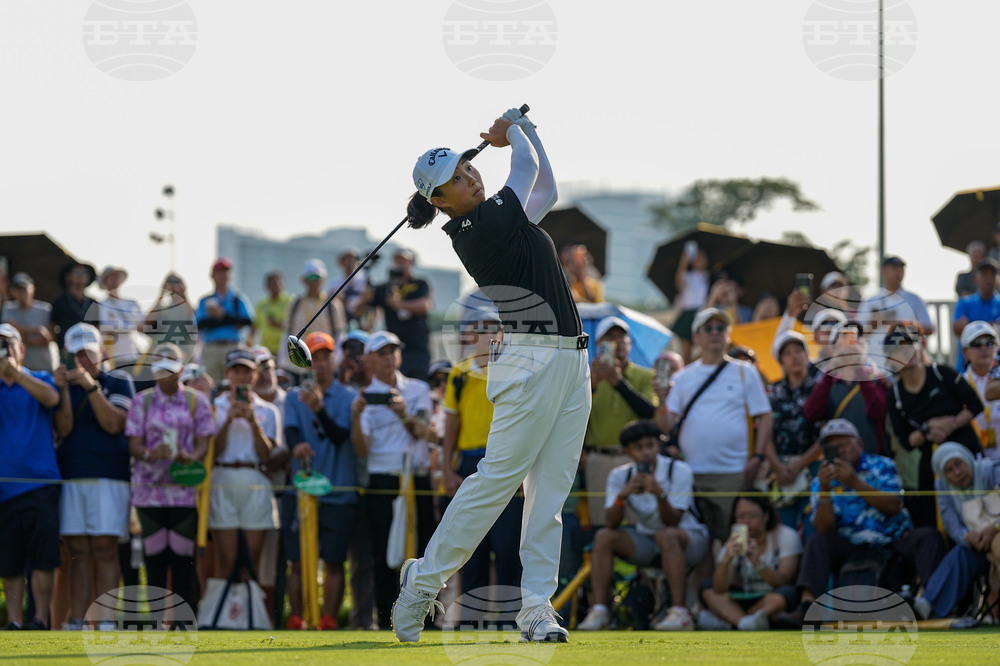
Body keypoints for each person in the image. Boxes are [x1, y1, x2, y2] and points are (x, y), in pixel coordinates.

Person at [393, 108, 591, 644]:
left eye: (466, 168)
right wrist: (511, 133)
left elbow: (544, 188)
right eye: (456, 179)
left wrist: (526, 133)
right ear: (439, 202)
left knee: (549, 494)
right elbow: (523, 175)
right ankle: (422, 584)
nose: (470, 177)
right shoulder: (477, 229)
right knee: (496, 484)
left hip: (572, 360)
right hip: (533, 358)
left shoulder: (504, 219)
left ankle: (535, 609)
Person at [785, 419, 946, 627]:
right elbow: (824, 528)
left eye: (844, 444)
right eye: (832, 447)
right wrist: (825, 489)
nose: (839, 451)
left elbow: (893, 506)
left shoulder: (882, 465)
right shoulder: (821, 480)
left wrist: (854, 481)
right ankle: (807, 606)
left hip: (892, 538)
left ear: (859, 444)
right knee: (817, 542)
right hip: (850, 542)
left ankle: (928, 602)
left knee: (928, 537)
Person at [577, 421, 709, 632]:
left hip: (689, 539)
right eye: (639, 448)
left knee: (667, 535)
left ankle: (680, 613)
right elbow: (611, 523)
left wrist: (659, 494)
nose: (646, 452)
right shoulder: (620, 475)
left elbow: (673, 521)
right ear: (627, 452)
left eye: (650, 445)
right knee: (603, 536)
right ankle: (600, 611)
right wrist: (622, 497)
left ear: (658, 445)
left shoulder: (679, 470)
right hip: (648, 540)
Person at [662, 308, 771, 547]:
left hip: (733, 472)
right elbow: (668, 425)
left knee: (733, 538)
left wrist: (758, 457)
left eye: (720, 328)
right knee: (696, 542)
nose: (715, 333)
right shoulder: (682, 377)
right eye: (708, 328)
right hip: (690, 472)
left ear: (728, 335)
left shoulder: (746, 372)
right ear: (696, 338)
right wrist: (661, 399)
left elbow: (765, 416)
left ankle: (729, 584)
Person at [350, 331, 437, 630]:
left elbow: (423, 432)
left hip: (417, 478)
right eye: (382, 353)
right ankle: (388, 619)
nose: (389, 358)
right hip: (382, 480)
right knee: (384, 554)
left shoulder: (418, 390)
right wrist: (354, 416)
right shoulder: (363, 397)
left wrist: (404, 416)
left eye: (393, 351)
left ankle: (424, 619)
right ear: (370, 359)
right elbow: (362, 450)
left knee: (424, 553)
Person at [52, 323, 135, 630]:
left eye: (90, 352)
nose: (85, 360)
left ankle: (107, 622)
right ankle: (77, 620)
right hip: (72, 476)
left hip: (110, 477)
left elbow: (114, 424)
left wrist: (90, 386)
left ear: (102, 351)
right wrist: (62, 388)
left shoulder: (119, 380)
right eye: (79, 354)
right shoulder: (63, 385)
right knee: (77, 551)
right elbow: (63, 429)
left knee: (104, 547)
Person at [125, 343, 213, 619]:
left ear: (182, 371)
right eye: (161, 371)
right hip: (149, 492)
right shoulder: (143, 401)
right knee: (154, 559)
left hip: (184, 491)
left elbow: (204, 442)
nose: (166, 376)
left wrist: (191, 456)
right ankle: (154, 620)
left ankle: (185, 619)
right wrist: (150, 453)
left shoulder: (197, 401)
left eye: (171, 371)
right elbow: (134, 443)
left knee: (183, 557)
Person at [440, 315, 522, 601]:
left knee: (507, 545)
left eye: (492, 330)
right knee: (470, 544)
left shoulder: (512, 371)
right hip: (469, 462)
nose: (486, 336)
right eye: (479, 331)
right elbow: (451, 425)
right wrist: (447, 471)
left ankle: (510, 618)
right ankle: (471, 619)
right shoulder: (460, 373)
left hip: (505, 462)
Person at [281, 332, 358, 630]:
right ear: (307, 363)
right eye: (316, 357)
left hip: (338, 491)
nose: (322, 364)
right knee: (298, 563)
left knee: (334, 561)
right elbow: (290, 433)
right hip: (300, 491)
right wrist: (296, 446)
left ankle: (328, 620)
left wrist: (319, 409)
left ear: (334, 359)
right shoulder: (292, 396)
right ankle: (298, 617)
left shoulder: (348, 396)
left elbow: (340, 437)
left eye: (326, 357)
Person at [884, 326, 983, 528]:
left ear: (920, 346)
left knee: (981, 510)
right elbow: (906, 442)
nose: (907, 353)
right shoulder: (894, 395)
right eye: (898, 350)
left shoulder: (942, 373)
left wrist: (951, 425)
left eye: (909, 346)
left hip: (966, 451)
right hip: (932, 464)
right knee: (930, 520)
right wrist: (928, 428)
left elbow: (975, 405)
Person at [0, 324, 61, 630]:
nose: (4, 350)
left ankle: (39, 618)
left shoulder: (40, 378)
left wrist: (16, 373)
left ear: (21, 349)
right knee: (9, 564)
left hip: (40, 485)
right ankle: (13, 621)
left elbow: (52, 399)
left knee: (42, 560)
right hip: (4, 489)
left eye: (8, 344)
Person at [209, 347, 282, 581]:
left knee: (251, 564)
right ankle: (225, 616)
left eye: (247, 372)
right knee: (225, 563)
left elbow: (266, 456)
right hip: (223, 478)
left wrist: (252, 422)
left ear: (255, 375)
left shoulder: (268, 411)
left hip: (255, 479)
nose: (241, 377)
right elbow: (212, 453)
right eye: (236, 371)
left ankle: (247, 616)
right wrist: (228, 420)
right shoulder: (214, 408)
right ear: (227, 374)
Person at [910, 443, 1000, 620]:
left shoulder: (991, 470)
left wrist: (995, 528)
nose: (957, 472)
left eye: (958, 464)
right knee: (962, 553)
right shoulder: (943, 486)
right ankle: (927, 606)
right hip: (980, 545)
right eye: (949, 470)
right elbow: (951, 523)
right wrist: (967, 537)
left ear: (967, 457)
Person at [583, 315, 657, 527]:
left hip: (635, 459)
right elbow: (574, 416)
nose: (617, 343)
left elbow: (649, 412)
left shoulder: (646, 376)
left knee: (638, 523)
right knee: (602, 524)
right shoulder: (585, 376)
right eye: (610, 338)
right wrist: (593, 385)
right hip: (599, 458)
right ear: (598, 345)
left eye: (622, 337)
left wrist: (618, 383)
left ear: (629, 343)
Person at [698, 493, 802, 631]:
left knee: (788, 593)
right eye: (741, 516)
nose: (746, 521)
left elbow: (784, 580)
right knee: (707, 587)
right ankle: (745, 622)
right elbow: (719, 588)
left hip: (772, 598)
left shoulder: (785, 536)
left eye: (753, 516)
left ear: (766, 516)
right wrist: (726, 560)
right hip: (747, 597)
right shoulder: (735, 540)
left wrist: (758, 563)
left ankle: (732, 621)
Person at [763, 330, 822, 534]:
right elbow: (765, 433)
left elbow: (825, 434)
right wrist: (778, 467)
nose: (794, 356)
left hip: (813, 466)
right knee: (783, 529)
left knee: (813, 527)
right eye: (787, 353)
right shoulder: (772, 391)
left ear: (807, 355)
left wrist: (799, 464)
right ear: (781, 360)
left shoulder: (820, 388)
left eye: (798, 350)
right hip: (780, 469)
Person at [360, 249, 433, 380]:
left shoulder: (420, 283)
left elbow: (425, 306)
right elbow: (361, 311)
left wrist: (399, 304)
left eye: (403, 260)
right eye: (397, 260)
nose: (400, 263)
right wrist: (364, 298)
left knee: (421, 386)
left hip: (419, 349)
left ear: (411, 263)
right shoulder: (384, 287)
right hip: (394, 351)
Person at [194, 258, 255, 383]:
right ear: (213, 276)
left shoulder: (238, 299)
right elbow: (199, 324)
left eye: (225, 272)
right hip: (212, 347)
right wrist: (226, 320)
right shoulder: (205, 300)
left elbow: (248, 321)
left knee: (235, 383)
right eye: (219, 272)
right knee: (211, 384)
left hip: (233, 346)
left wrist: (222, 316)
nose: (222, 276)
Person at [284, 259, 347, 378]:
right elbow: (287, 333)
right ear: (304, 280)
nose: (314, 282)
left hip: (324, 366)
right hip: (297, 367)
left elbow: (340, 334)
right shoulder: (294, 303)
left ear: (323, 280)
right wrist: (283, 362)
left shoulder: (332, 304)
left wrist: (336, 361)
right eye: (310, 278)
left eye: (317, 278)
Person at [857, 255, 935, 337]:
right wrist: (873, 324)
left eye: (901, 268)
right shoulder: (871, 301)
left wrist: (904, 326)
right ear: (884, 270)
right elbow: (857, 332)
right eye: (894, 268)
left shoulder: (913, 299)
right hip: (876, 349)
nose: (899, 271)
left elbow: (929, 328)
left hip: (905, 348)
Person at [958, 321, 1000, 459]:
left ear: (996, 347)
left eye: (989, 342)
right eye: (976, 343)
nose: (984, 348)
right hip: (972, 461)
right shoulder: (958, 384)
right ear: (965, 352)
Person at [1, 272, 56, 372]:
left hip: (43, 366)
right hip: (21, 368)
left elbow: (49, 339)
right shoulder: (8, 308)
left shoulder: (46, 309)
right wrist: (38, 330)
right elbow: (9, 333)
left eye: (24, 288)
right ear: (12, 291)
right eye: (18, 289)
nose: (22, 292)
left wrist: (21, 334)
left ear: (32, 289)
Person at [952, 257, 1000, 371]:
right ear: (975, 278)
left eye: (992, 275)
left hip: (996, 370)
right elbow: (957, 329)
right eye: (984, 275)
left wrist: (971, 323)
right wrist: (992, 326)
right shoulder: (965, 302)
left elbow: (964, 327)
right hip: (966, 370)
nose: (989, 279)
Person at [96, 265, 145, 372]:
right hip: (111, 357)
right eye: (110, 277)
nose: (114, 280)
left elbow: (142, 326)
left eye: (116, 276)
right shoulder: (101, 305)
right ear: (104, 282)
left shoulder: (132, 303)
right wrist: (131, 327)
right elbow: (105, 327)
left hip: (132, 355)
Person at [143, 273, 198, 363]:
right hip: (161, 356)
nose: (173, 287)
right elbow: (147, 322)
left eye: (176, 283)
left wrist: (184, 295)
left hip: (183, 355)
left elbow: (194, 319)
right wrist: (161, 294)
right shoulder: (162, 308)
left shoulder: (187, 308)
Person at [673, 245, 710, 363]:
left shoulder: (709, 276)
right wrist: (684, 262)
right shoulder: (689, 276)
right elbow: (678, 283)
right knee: (686, 351)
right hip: (688, 313)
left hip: (702, 313)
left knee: (704, 348)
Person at [50, 261, 99, 350]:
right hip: (67, 348)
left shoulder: (93, 302)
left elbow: (98, 326)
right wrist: (58, 344)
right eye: (76, 272)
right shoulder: (59, 300)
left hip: (90, 349)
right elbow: (52, 325)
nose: (80, 275)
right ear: (68, 276)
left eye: (84, 272)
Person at [253, 271, 290, 358]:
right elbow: (254, 328)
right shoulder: (261, 305)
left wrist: (279, 324)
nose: (275, 286)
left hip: (285, 350)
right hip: (265, 351)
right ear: (266, 286)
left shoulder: (291, 302)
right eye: (272, 283)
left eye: (278, 282)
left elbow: (296, 325)